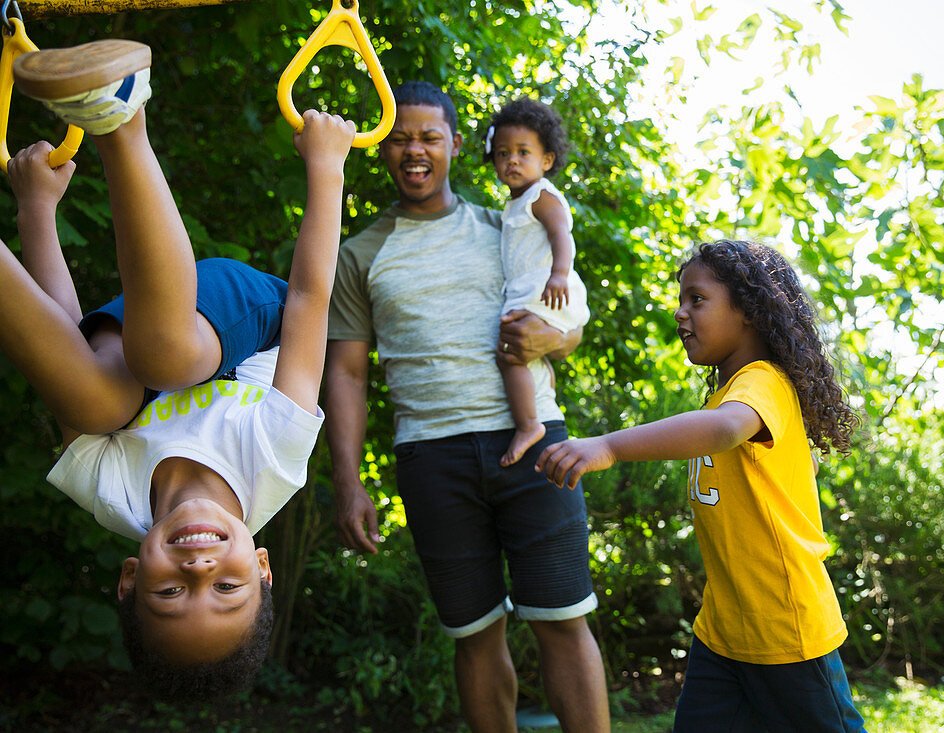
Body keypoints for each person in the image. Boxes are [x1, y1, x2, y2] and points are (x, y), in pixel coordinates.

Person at [2, 39, 356, 696]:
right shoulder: (272, 460)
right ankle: (122, 117)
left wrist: (38, 211)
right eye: (226, 584)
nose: (199, 562)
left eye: (171, 588)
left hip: (135, 332)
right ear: (262, 564)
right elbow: (311, 302)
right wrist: (328, 169)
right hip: (254, 316)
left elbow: (67, 344)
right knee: (162, 356)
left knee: (93, 403)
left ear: (131, 577)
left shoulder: (110, 490)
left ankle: (111, 111)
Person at [325, 81, 610, 732]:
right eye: (399, 138)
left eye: (428, 137)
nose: (414, 151)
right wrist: (348, 483)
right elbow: (345, 372)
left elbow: (565, 321)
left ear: (455, 145)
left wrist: (558, 337)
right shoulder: (359, 254)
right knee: (475, 633)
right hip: (432, 458)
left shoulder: (505, 225)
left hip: (535, 444)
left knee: (564, 620)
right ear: (380, 147)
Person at [536, 240, 866, 732]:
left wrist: (608, 446)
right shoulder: (728, 392)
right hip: (724, 629)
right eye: (681, 299)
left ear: (749, 311)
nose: (680, 312)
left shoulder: (763, 382)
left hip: (784, 628)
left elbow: (725, 428)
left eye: (697, 299)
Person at [482, 97, 590, 466]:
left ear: (546, 161)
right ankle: (540, 388)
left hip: (547, 289)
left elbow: (562, 234)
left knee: (508, 354)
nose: (511, 160)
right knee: (518, 352)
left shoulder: (541, 196)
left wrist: (559, 274)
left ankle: (530, 424)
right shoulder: (516, 202)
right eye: (502, 153)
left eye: (523, 152)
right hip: (534, 289)